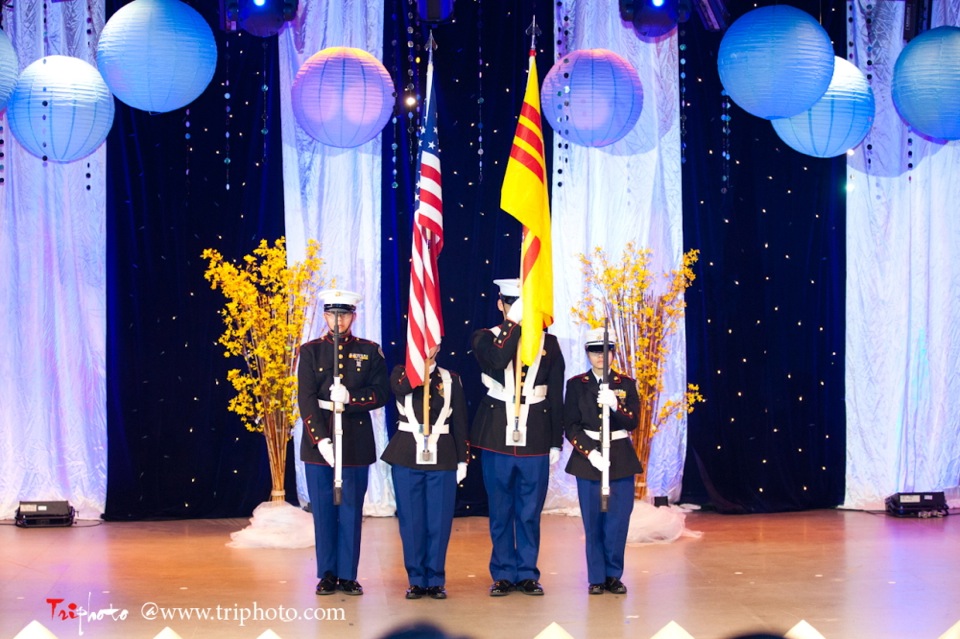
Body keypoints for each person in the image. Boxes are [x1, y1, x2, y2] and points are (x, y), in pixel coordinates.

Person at [470, 278, 565, 596]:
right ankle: (502, 573)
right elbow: (498, 360)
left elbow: (557, 396)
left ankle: (526, 572)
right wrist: (514, 323)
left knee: (528, 511)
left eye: (524, 304)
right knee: (500, 509)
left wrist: (555, 440)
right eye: (512, 304)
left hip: (536, 433)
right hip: (497, 433)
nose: (518, 310)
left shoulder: (549, 344)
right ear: (501, 305)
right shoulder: (485, 337)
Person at [297, 289, 389, 596]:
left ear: (354, 316)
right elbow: (306, 399)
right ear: (325, 316)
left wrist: (352, 398)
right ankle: (327, 573)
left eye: (345, 314)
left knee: (351, 510)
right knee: (323, 511)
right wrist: (320, 439)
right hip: (318, 443)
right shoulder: (310, 351)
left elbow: (381, 393)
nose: (338, 321)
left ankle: (348, 574)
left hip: (354, 442)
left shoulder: (370, 350)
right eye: (333, 314)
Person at [381, 343, 469, 600]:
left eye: (432, 341)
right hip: (407, 454)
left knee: (439, 521)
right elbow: (401, 388)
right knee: (411, 521)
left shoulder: (451, 379)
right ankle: (416, 579)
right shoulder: (401, 372)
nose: (427, 346)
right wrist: (422, 366)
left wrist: (463, 460)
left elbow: (461, 420)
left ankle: (436, 578)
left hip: (442, 455)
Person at [563, 327, 642, 595]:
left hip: (620, 458)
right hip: (589, 461)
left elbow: (633, 422)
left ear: (613, 353)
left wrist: (615, 406)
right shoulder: (576, 385)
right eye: (595, 351)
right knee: (593, 520)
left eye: (606, 351)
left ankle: (613, 575)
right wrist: (590, 452)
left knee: (618, 521)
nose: (601, 356)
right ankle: (596, 577)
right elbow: (570, 426)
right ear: (588, 353)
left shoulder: (625, 384)